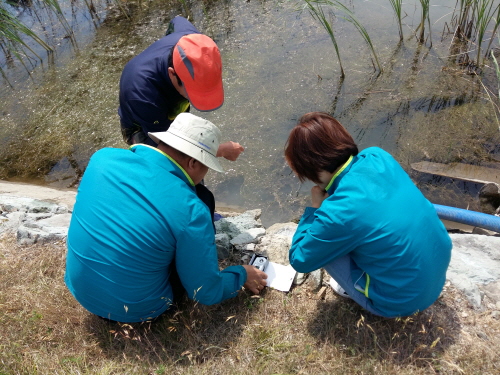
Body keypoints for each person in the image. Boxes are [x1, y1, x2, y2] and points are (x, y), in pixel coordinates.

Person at [65, 113, 267, 323]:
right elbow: (205, 293)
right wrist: (242, 274)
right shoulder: (192, 211)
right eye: (207, 165)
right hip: (139, 310)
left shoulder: (102, 158)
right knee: (202, 198)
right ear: (192, 164)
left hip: (81, 291)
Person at [285, 112, 452, 318]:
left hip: (401, 301)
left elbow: (300, 259)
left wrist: (315, 208)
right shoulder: (377, 156)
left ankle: (358, 288)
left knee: (320, 246)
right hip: (437, 275)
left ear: (311, 168)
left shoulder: (337, 211)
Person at [118, 15, 243, 161]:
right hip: (144, 125)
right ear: (172, 74)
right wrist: (219, 150)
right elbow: (169, 149)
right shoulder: (142, 93)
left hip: (171, 104)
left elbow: (177, 20)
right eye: (193, 93)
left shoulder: (193, 41)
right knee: (171, 167)